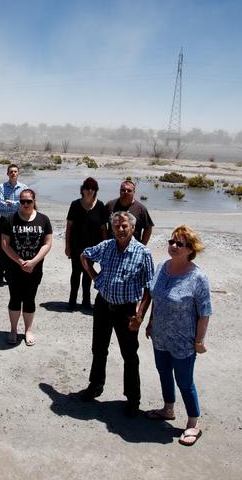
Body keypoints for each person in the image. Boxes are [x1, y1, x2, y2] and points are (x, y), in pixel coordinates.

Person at [78, 211, 155, 417]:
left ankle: (133, 398)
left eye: (124, 226)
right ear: (112, 228)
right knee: (99, 349)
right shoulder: (106, 246)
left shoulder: (143, 253)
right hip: (103, 305)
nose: (120, 230)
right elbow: (84, 255)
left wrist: (139, 317)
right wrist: (96, 278)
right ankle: (95, 385)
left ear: (133, 229)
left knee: (129, 355)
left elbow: (149, 290)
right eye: (117, 226)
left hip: (127, 311)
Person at [142, 226, 212, 446]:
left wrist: (199, 341)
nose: (172, 246)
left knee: (184, 381)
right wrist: (150, 323)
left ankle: (193, 423)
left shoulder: (198, 277)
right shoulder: (163, 267)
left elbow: (205, 313)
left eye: (179, 244)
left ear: (190, 249)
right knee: (163, 373)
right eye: (171, 241)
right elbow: (156, 298)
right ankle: (168, 409)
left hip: (184, 341)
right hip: (160, 335)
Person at [0, 188, 53, 346]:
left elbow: (48, 243)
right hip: (14, 268)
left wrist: (33, 262)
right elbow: (5, 245)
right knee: (15, 298)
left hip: (34, 268)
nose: (25, 204)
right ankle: (14, 329)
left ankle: (28, 330)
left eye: (28, 201)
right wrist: (20, 261)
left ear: (34, 201)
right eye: (22, 201)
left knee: (30, 299)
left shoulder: (43, 219)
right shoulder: (10, 220)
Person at [64, 177, 108, 310]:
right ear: (82, 190)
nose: (89, 191)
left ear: (95, 191)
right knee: (76, 273)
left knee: (88, 273)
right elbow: (69, 227)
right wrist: (67, 246)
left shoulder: (100, 206)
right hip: (76, 245)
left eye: (92, 189)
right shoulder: (75, 205)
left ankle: (86, 301)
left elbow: (103, 228)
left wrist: (105, 247)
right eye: (87, 188)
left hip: (93, 247)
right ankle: (72, 300)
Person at [0, 163, 28, 285]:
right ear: (7, 173)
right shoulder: (1, 187)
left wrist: (11, 202)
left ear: (18, 173)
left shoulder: (24, 187)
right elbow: (1, 205)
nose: (13, 173)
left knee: (17, 248)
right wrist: (17, 203)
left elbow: (26, 204)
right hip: (4, 221)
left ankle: (14, 274)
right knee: (3, 248)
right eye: (11, 171)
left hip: (19, 221)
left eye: (15, 171)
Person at [105, 180, 154, 244]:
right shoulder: (110, 205)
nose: (126, 192)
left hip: (133, 247)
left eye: (129, 190)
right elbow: (102, 224)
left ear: (134, 192)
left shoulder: (141, 209)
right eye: (123, 190)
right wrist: (105, 241)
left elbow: (148, 228)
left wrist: (143, 245)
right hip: (111, 246)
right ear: (120, 191)